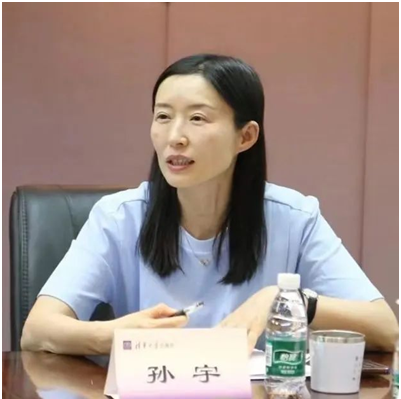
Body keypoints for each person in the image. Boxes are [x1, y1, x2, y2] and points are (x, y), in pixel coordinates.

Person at [21, 54, 398, 356]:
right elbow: (37, 331)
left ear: (245, 136)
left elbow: (385, 328)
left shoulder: (294, 219)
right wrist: (115, 336)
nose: (174, 136)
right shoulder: (118, 217)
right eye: (163, 116)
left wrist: (284, 300)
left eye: (197, 118)